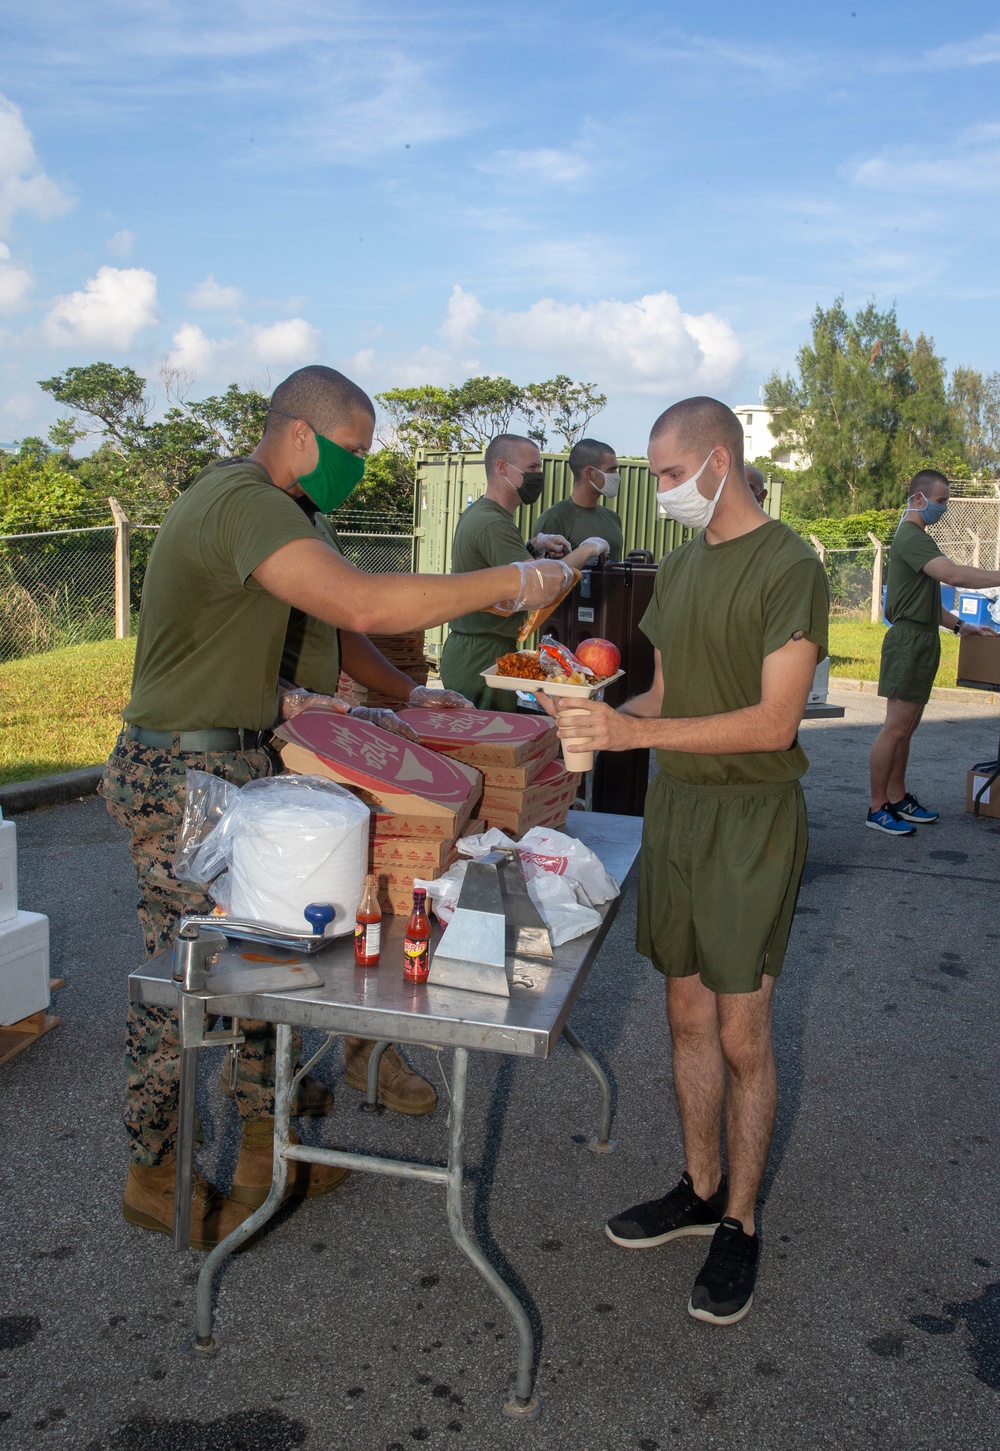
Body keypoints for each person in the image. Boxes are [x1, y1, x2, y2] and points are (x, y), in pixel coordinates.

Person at [102, 365, 572, 1249]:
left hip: (240, 762)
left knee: (267, 964)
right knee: (184, 979)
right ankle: (152, 1165)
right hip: (177, 774)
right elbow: (359, 600)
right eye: (352, 453)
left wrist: (383, 699)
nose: (359, 469)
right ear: (300, 436)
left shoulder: (286, 510)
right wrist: (508, 580)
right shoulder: (242, 502)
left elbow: (337, 635)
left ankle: (262, 1156)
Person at [540, 396, 829, 1326]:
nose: (659, 492)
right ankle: (700, 1187)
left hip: (750, 816)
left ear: (717, 460)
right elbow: (664, 689)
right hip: (680, 811)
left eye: (667, 476)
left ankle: (740, 1223)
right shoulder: (682, 561)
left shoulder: (789, 564)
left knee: (744, 1033)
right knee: (684, 1016)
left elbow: (774, 719)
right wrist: (586, 699)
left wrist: (635, 727)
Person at [867, 469, 999, 835]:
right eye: (940, 501)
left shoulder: (917, 538)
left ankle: (897, 796)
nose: (944, 508)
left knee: (906, 728)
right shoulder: (911, 536)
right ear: (919, 499)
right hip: (909, 640)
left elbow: (924, 600)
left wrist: (960, 626)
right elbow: (954, 576)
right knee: (895, 729)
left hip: (922, 637)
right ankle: (877, 806)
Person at [439, 434, 609, 709]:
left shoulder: (485, 515)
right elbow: (538, 585)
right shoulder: (492, 522)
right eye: (532, 469)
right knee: (486, 745)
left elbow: (502, 572)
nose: (538, 476)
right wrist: (587, 549)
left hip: (480, 647)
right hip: (481, 652)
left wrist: (532, 547)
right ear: (502, 468)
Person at [534, 437, 625, 558]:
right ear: (589, 472)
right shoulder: (555, 518)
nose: (616, 476)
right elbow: (541, 570)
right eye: (612, 469)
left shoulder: (613, 518)